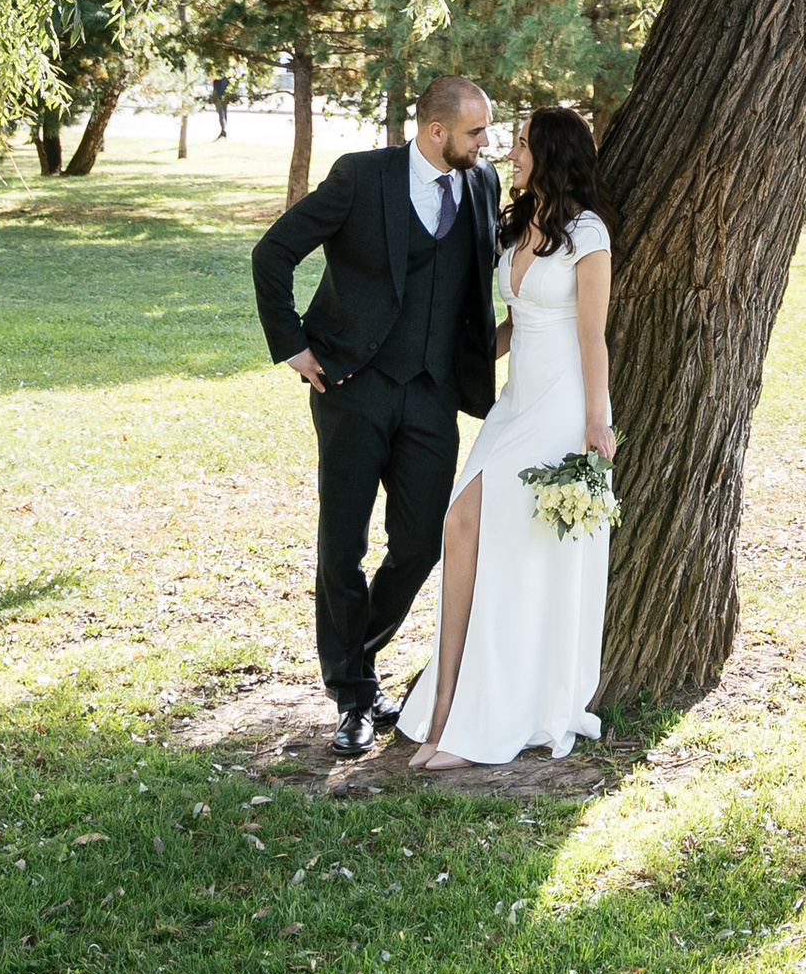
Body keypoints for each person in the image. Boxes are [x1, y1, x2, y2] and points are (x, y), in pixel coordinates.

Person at [250, 72, 501, 758]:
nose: (487, 143)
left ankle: (351, 658)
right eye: (477, 131)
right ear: (436, 132)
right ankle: (355, 695)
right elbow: (272, 253)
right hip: (351, 386)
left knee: (421, 544)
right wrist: (292, 345)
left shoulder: (481, 184)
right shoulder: (362, 177)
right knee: (344, 545)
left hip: (432, 393)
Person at [398, 103, 613, 770]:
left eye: (520, 144)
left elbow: (590, 337)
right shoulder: (517, 225)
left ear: (549, 154)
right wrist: (457, 365)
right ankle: (443, 709)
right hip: (513, 407)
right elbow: (517, 323)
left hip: (559, 413)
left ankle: (482, 719)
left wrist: (597, 424)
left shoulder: (589, 235)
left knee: (499, 545)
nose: (509, 153)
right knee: (460, 529)